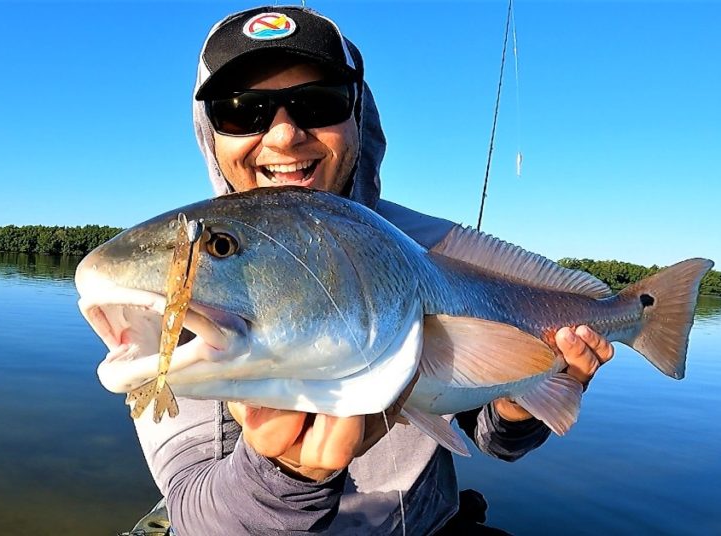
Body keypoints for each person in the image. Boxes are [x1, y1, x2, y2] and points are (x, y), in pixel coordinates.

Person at [128, 6, 615, 535]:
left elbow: (493, 438)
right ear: (210, 134)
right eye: (243, 111)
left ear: (357, 115)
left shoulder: (437, 247)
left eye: (319, 103)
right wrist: (285, 479)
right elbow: (196, 512)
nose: (285, 136)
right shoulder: (174, 276)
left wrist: (525, 402)